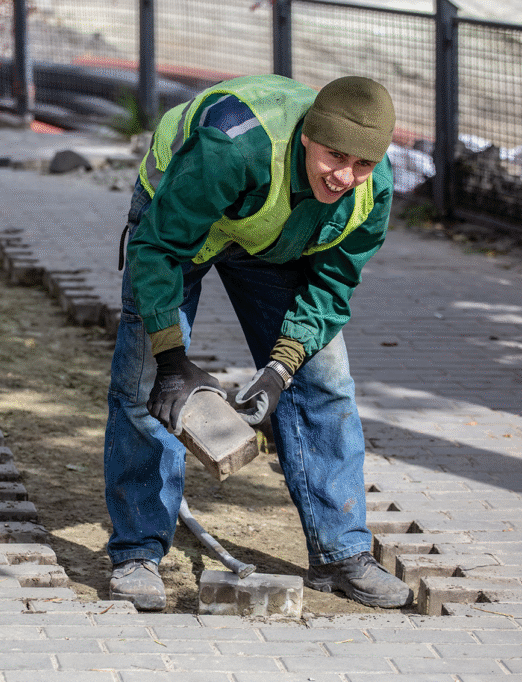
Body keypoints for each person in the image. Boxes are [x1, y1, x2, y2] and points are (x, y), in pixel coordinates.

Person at [104, 74, 414, 611]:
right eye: (334, 156)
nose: (345, 176)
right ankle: (138, 551)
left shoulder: (372, 190)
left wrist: (282, 368)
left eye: (361, 164)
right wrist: (172, 359)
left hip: (273, 239)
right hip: (183, 223)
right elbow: (158, 249)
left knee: (326, 383)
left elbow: (333, 284)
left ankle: (341, 553)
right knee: (145, 387)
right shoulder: (234, 146)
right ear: (307, 137)